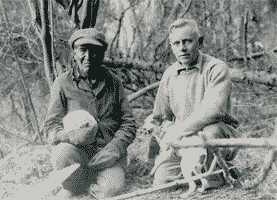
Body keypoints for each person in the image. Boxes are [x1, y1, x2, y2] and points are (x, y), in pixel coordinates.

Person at [43, 28, 137, 198]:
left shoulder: (114, 83)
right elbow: (50, 128)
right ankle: (76, 185)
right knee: (61, 154)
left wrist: (114, 149)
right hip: (79, 154)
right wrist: (70, 136)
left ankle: (88, 188)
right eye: (83, 50)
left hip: (109, 155)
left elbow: (128, 123)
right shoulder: (63, 83)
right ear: (74, 53)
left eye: (94, 52)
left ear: (101, 55)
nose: (88, 56)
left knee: (110, 190)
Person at [151, 19, 239, 189]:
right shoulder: (169, 75)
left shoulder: (216, 68)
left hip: (216, 134)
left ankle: (217, 173)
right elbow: (160, 118)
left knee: (210, 132)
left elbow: (214, 111)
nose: (182, 48)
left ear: (200, 42)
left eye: (187, 41)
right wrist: (165, 138)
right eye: (176, 43)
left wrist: (179, 130)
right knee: (163, 183)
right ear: (171, 46)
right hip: (184, 140)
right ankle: (202, 171)